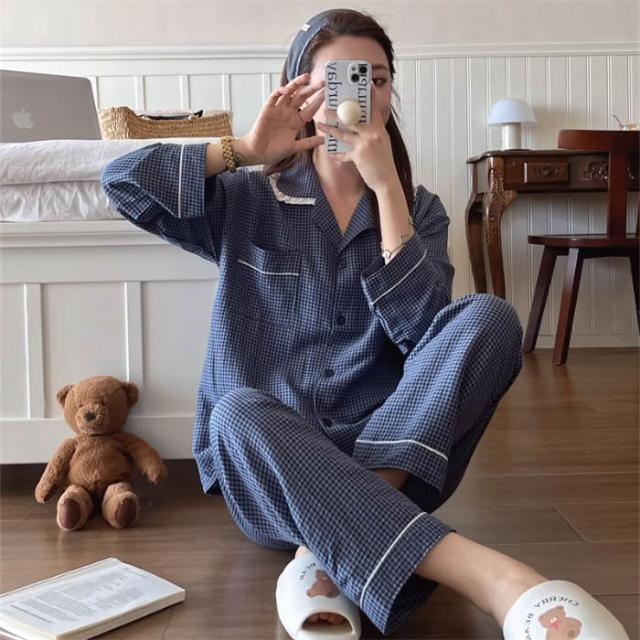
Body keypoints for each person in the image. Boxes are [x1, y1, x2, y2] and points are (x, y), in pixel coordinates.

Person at [101, 8, 630, 640]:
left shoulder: (419, 210)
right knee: (235, 411)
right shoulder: (245, 199)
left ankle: (329, 546)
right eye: (338, 78)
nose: (360, 94)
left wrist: (387, 195)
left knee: (488, 317)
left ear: (389, 94)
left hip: (398, 454)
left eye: (376, 78)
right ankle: (498, 581)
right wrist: (244, 150)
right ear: (298, 91)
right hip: (273, 468)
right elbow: (120, 183)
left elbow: (428, 335)